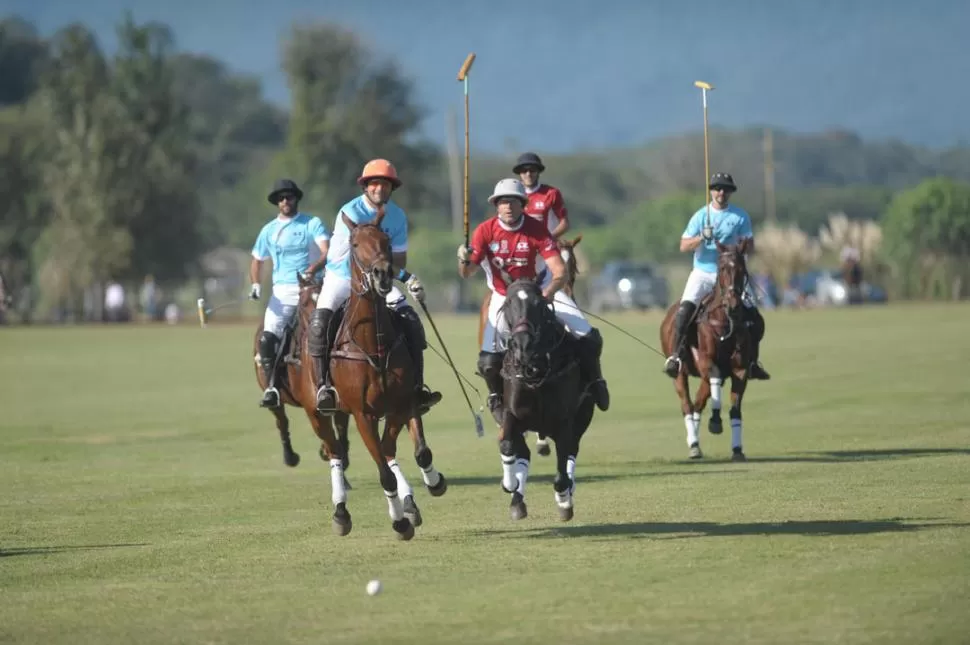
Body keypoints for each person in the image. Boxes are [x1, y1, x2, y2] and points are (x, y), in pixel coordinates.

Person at [457, 178, 609, 420]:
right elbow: (467, 273)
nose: (507, 206)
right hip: (503, 296)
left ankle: (595, 381)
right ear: (496, 205)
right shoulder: (484, 231)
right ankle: (496, 395)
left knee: (589, 336)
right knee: (487, 361)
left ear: (522, 204)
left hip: (541, 290)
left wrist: (547, 294)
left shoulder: (537, 230)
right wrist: (464, 258)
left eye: (512, 201)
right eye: (502, 202)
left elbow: (559, 271)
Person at [307, 159, 441, 415]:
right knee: (319, 323)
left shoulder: (398, 216)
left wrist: (405, 277)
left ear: (392, 188)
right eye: (375, 183)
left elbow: (398, 260)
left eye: (385, 184)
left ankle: (417, 388)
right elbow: (348, 258)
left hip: (380, 279)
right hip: (342, 277)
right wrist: (392, 274)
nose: (380, 188)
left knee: (410, 318)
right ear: (366, 187)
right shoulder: (352, 212)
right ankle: (324, 387)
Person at [663, 172, 771, 381]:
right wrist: (702, 237)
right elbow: (684, 245)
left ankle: (752, 362)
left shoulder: (740, 217)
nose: (721, 192)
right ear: (711, 191)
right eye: (717, 188)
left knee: (754, 318)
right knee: (684, 311)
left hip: (732, 276)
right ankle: (675, 356)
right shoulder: (701, 216)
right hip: (704, 273)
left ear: (730, 192)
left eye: (725, 189)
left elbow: (751, 247)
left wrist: (741, 247)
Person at [250, 179, 331, 408]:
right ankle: (273, 387)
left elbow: (327, 251)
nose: (286, 201)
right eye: (281, 198)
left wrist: (313, 269)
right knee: (267, 338)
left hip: (312, 287)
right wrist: (256, 284)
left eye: (289, 196)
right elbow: (257, 260)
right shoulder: (269, 230)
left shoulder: (312, 223)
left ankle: (330, 382)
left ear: (296, 198)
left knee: (330, 329)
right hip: (283, 291)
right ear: (277, 202)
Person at [513, 152, 571, 241]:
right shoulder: (513, 193)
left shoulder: (551, 193)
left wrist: (549, 239)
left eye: (532, 170)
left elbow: (565, 224)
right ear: (519, 173)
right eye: (524, 171)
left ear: (538, 172)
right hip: (520, 247)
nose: (528, 174)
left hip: (546, 249)